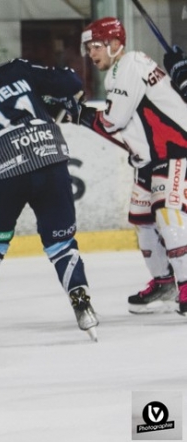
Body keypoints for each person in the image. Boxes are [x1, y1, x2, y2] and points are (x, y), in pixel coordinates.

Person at [0, 41, 98, 345]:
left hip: (6, 173)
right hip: (51, 159)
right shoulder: (17, 70)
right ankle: (82, 303)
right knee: (61, 241)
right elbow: (71, 82)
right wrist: (49, 101)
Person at [79, 17, 187, 315]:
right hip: (151, 157)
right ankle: (164, 282)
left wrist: (80, 113)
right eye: (88, 48)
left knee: (168, 215)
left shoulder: (129, 66)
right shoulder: (121, 71)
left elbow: (112, 121)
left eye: (96, 46)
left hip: (174, 151)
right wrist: (79, 114)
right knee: (143, 221)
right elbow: (126, 130)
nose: (91, 53)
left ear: (115, 44)